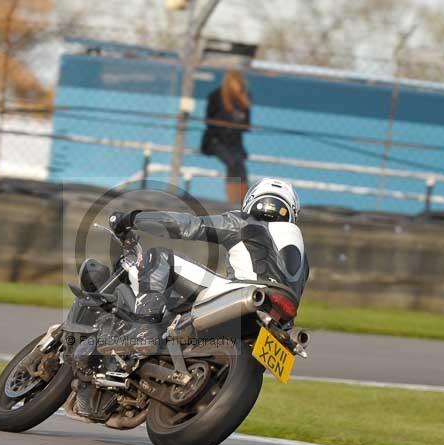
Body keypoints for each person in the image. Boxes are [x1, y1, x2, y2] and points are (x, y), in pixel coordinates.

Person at [107, 177, 309, 348]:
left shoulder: (245, 222)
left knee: (159, 257)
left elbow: (186, 226)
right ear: (291, 211)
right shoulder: (302, 257)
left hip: (244, 294)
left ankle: (143, 330)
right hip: (281, 321)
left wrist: (132, 219)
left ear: (251, 201)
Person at [200, 70, 252, 204]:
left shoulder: (244, 98)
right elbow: (209, 121)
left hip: (234, 142)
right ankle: (235, 199)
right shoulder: (216, 96)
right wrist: (226, 125)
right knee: (234, 163)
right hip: (216, 140)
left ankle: (243, 199)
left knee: (240, 167)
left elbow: (246, 125)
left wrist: (238, 123)